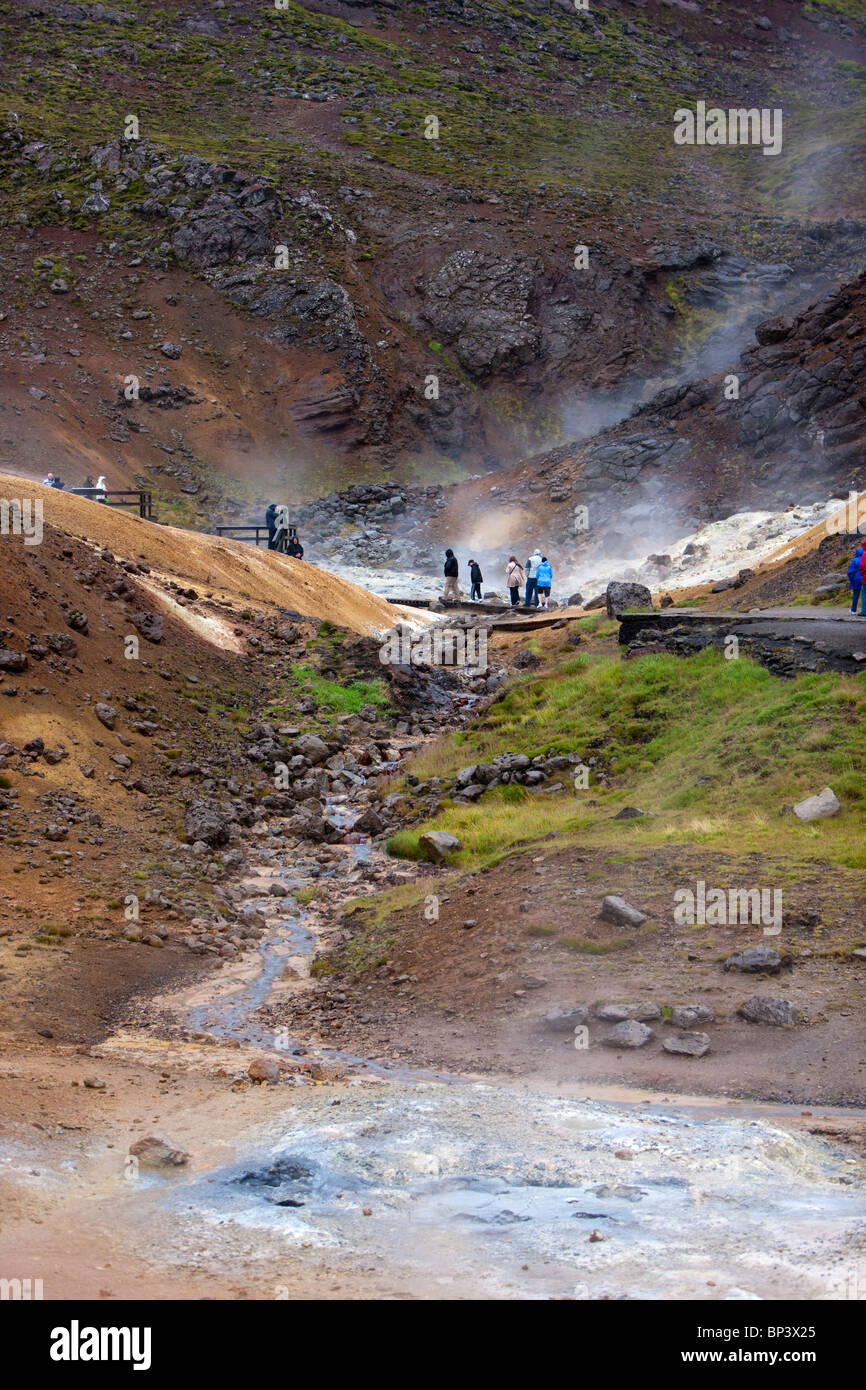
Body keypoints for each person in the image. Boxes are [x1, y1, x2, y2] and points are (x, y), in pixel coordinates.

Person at [849, 545, 864, 614]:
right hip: (864, 578)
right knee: (864, 595)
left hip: (856, 579)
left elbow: (851, 571)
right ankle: (864, 610)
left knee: (856, 595)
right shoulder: (865, 559)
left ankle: (853, 610)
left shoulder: (855, 560)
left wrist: (851, 579)